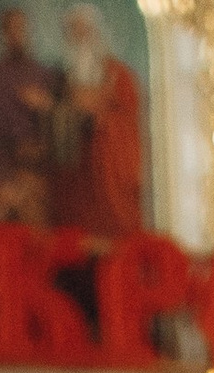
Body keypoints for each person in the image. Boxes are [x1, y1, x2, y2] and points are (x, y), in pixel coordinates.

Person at [47, 7, 143, 238]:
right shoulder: (63, 78)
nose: (80, 37)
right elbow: (61, 113)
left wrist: (104, 120)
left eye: (84, 30)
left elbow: (129, 115)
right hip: (79, 162)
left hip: (111, 159)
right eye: (74, 32)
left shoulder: (119, 74)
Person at [0, 1, 57, 222]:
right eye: (12, 29)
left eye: (22, 28)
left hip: (39, 171)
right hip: (3, 171)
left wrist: (47, 107)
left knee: (38, 233)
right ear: (3, 34)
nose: (18, 34)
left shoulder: (43, 74)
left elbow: (60, 124)